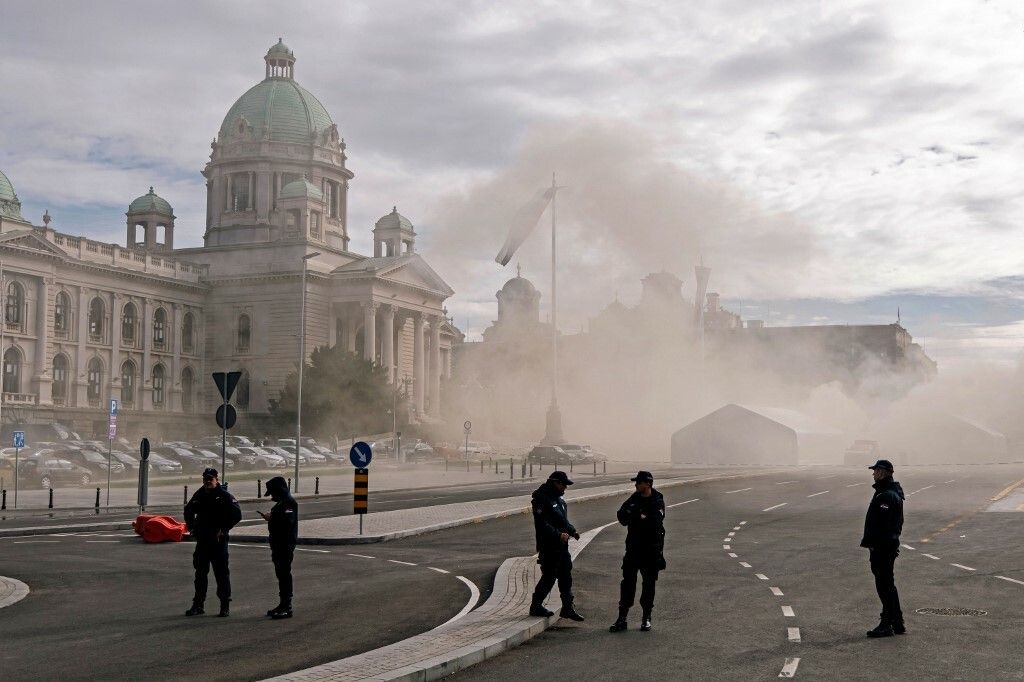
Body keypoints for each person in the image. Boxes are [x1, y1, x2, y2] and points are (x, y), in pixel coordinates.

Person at [609, 471, 666, 633]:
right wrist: (638, 515)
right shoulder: (634, 498)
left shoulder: (657, 500)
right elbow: (621, 517)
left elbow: (654, 522)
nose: (636, 485)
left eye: (639, 482)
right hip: (633, 550)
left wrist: (636, 516)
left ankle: (646, 618)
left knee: (649, 585)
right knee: (627, 583)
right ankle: (622, 618)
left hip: (651, 551)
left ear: (648, 484)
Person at [184, 468, 241, 617]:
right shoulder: (200, 494)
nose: (208, 481)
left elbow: (237, 515)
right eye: (205, 479)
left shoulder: (224, 495)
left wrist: (224, 528)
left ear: (217, 480)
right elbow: (188, 510)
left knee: (221, 574)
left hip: (218, 541)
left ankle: (224, 605)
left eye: (211, 479)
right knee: (200, 574)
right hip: (203, 541)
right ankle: (198, 605)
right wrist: (192, 527)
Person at [529, 470, 585, 621]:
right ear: (555, 483)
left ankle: (567, 608)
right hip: (548, 545)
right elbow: (542, 524)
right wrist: (558, 534)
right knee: (549, 576)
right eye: (564, 485)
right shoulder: (541, 499)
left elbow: (562, 521)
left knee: (566, 574)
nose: (565, 488)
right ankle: (536, 605)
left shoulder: (559, 499)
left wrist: (572, 531)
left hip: (561, 545)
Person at [860, 459, 906, 637]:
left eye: (876, 470)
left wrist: (875, 545)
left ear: (883, 472)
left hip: (883, 547)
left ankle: (887, 623)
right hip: (886, 545)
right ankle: (897, 621)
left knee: (884, 586)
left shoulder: (886, 495)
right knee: (888, 584)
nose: (873, 474)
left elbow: (884, 525)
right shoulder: (887, 492)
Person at [258, 476, 298, 619]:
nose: (272, 496)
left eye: (272, 493)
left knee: (284, 575)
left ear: (279, 490)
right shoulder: (282, 503)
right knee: (281, 575)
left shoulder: (289, 503)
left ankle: (287, 606)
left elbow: (287, 523)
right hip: (278, 545)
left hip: (285, 545)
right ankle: (282, 604)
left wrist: (272, 517)